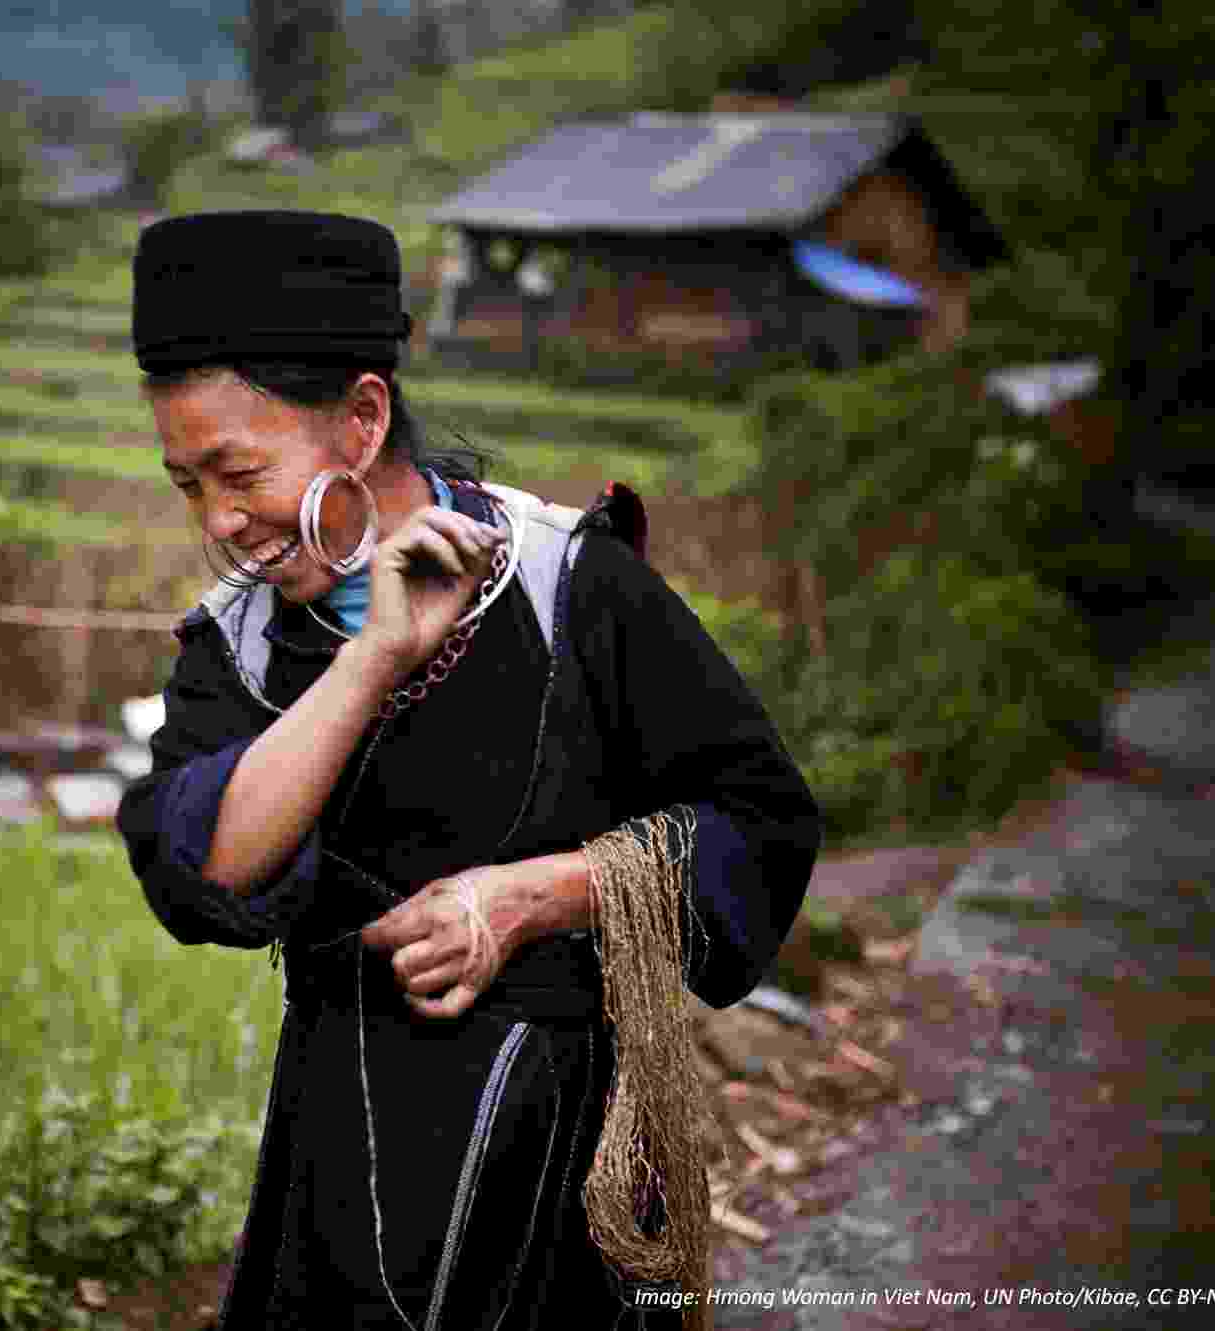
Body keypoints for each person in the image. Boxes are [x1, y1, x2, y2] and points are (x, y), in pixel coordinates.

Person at [116, 211, 820, 1330]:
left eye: (236, 470)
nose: (219, 520)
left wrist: (538, 893)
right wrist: (371, 658)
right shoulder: (238, 649)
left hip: (558, 1162)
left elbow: (759, 819)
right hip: (339, 1156)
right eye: (184, 485)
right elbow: (205, 872)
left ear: (359, 416)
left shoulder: (568, 586)